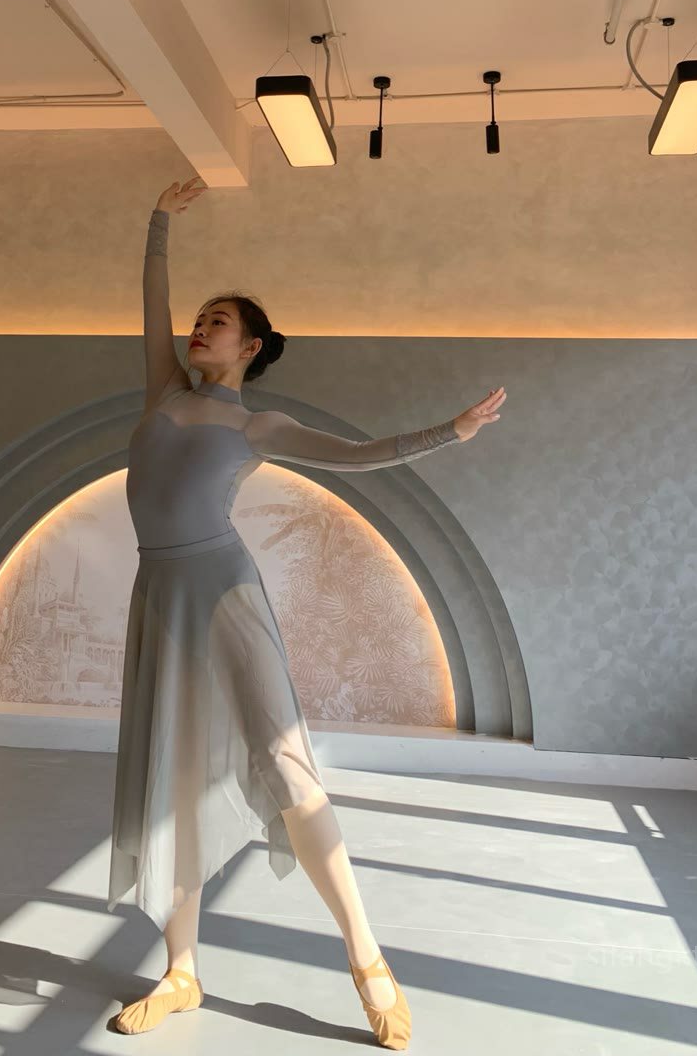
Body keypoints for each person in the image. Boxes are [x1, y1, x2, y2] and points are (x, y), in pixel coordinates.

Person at [108, 177, 506, 1044]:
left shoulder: (258, 426)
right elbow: (149, 301)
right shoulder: (162, 391)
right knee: (173, 777)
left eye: (218, 320)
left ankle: (368, 960)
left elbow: (359, 455)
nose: (198, 325)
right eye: (198, 316)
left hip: (222, 593)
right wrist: (159, 220)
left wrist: (451, 431)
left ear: (249, 347)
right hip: (159, 594)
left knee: (286, 765)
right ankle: (181, 972)